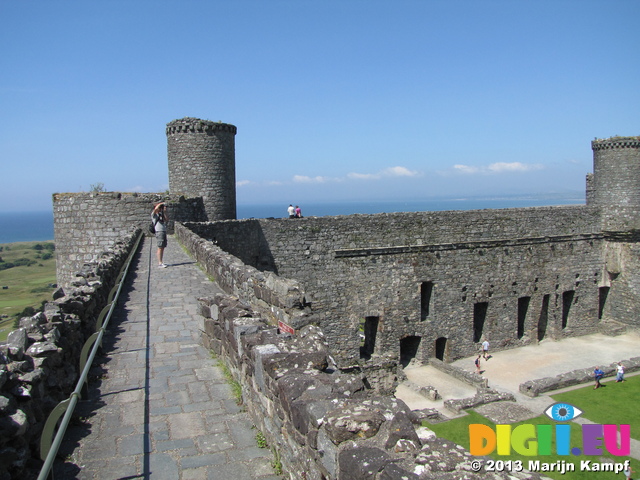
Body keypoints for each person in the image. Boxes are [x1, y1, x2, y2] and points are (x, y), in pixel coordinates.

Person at [151, 202, 169, 268]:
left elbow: (167, 219)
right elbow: (155, 209)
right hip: (159, 231)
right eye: (160, 208)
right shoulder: (154, 214)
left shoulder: (161, 214)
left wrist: (165, 212)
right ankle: (160, 263)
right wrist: (161, 203)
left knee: (162, 247)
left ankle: (161, 261)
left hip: (163, 231)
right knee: (160, 247)